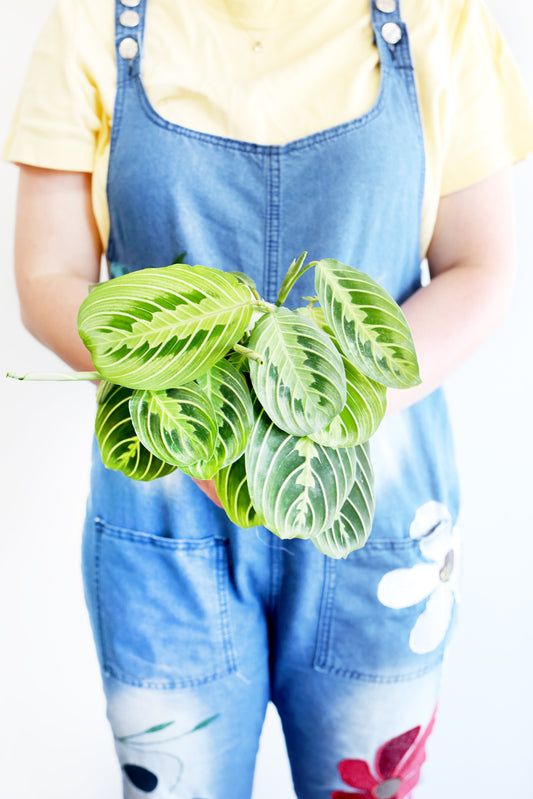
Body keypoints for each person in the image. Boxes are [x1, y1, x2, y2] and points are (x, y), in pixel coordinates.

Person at [4, 0, 533, 796]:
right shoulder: (91, 22)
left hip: (377, 522)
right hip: (165, 507)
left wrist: (317, 411)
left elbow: (480, 266)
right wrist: (198, 404)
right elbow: (48, 277)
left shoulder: (440, 22)